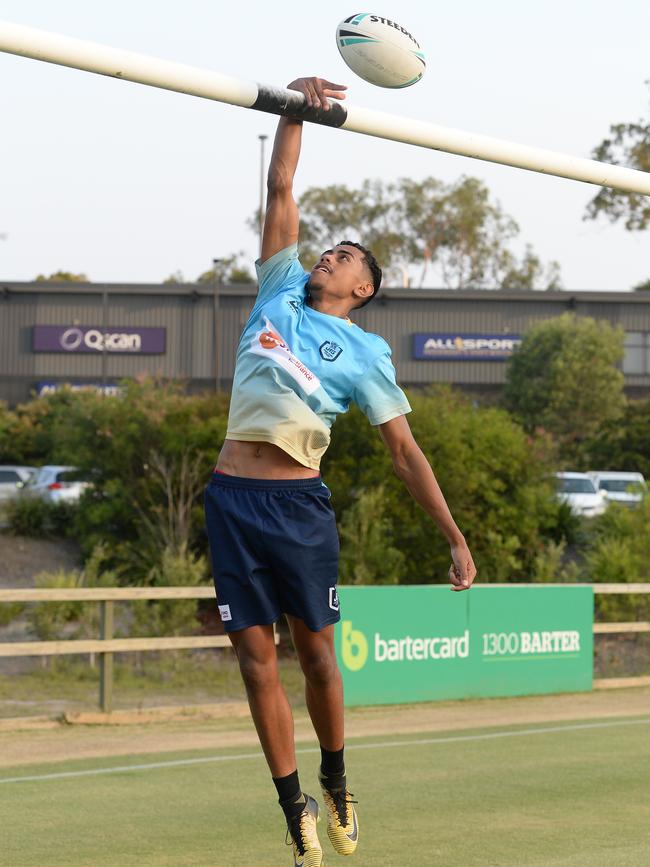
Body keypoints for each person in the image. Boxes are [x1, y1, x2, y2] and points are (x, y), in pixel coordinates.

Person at [204, 76, 477, 867]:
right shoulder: (279, 289)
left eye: (348, 256)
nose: (331, 253)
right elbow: (281, 181)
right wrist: (296, 106)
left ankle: (336, 778)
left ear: (363, 289)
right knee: (256, 663)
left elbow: (403, 451)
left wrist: (453, 535)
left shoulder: (364, 354)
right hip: (231, 499)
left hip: (297, 510)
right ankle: (294, 810)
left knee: (316, 653)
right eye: (331, 247)